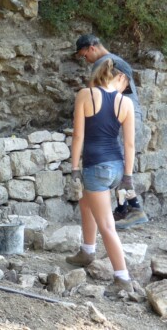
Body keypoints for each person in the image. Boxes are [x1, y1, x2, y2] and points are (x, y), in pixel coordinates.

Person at [66, 58, 135, 296]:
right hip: (116, 167)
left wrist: (75, 168)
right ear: (120, 78)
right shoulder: (125, 103)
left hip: (96, 167)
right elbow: (129, 143)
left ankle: (122, 277)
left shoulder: (86, 94)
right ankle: (87, 251)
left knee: (106, 225)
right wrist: (127, 176)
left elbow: (78, 136)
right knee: (86, 203)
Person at [75, 34, 147, 229]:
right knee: (119, 161)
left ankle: (134, 209)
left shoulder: (105, 63)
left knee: (116, 160)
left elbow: (96, 94)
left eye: (83, 55)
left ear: (91, 47)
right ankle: (123, 210)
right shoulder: (118, 61)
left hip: (120, 116)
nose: (85, 59)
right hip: (126, 114)